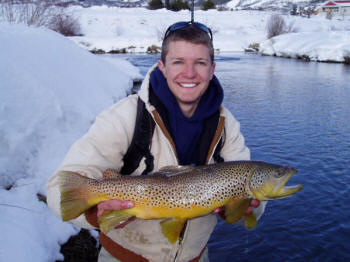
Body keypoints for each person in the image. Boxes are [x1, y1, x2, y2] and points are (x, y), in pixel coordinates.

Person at [46, 21, 266, 262]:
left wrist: (248, 207)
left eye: (200, 63)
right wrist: (93, 213)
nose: (190, 73)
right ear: (162, 67)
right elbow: (60, 187)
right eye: (178, 62)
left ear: (212, 69)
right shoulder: (124, 117)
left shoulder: (227, 126)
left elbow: (254, 191)